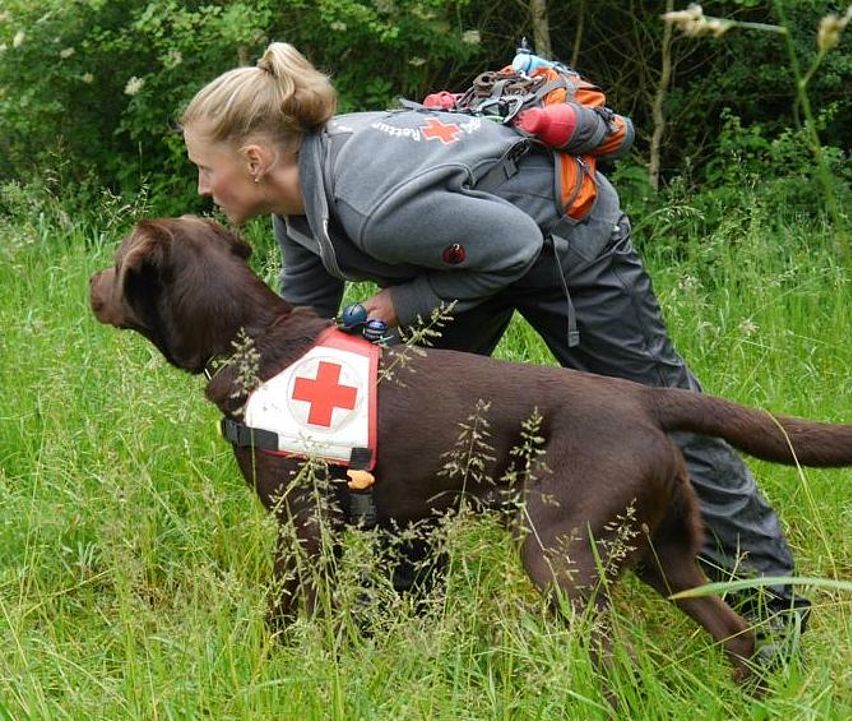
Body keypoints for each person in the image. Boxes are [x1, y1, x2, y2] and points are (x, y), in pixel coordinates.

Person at [180, 42, 809, 650]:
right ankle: (409, 603)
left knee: (670, 412)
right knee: (413, 424)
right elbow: (310, 321)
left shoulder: (370, 206)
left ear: (256, 159)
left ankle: (772, 606)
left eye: (207, 169)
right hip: (465, 263)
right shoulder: (299, 204)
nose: (205, 187)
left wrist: (399, 305)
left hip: (563, 245)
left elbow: (514, 245)